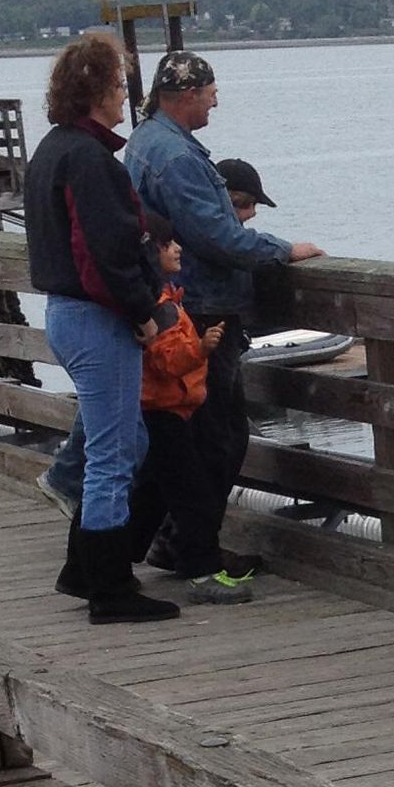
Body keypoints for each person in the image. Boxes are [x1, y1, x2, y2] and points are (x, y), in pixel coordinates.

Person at [126, 54, 326, 587]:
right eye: (211, 92)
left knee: (179, 438)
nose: (216, 100)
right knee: (218, 438)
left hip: (175, 303)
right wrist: (283, 250)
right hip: (203, 308)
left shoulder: (146, 141)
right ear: (187, 94)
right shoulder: (176, 156)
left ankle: (150, 543)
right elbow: (217, 236)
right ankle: (190, 548)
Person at [21, 31, 183, 625]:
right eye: (119, 85)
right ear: (95, 91)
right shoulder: (89, 160)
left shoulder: (53, 150)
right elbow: (102, 253)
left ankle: (82, 569)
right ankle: (110, 589)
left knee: (126, 444)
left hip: (66, 313)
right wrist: (143, 312)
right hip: (97, 319)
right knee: (113, 457)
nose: (125, 97)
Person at [119, 213, 245, 601]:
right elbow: (167, 361)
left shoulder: (162, 298)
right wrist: (202, 349)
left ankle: (114, 560)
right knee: (194, 494)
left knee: (153, 490)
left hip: (161, 409)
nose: (177, 249)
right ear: (149, 252)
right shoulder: (160, 305)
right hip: (164, 410)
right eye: (167, 244)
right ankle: (202, 571)